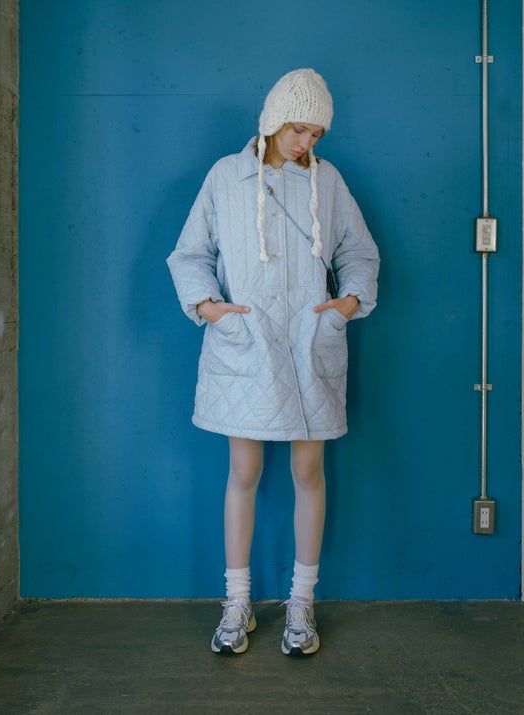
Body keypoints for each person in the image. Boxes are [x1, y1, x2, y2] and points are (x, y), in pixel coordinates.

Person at [167, 68, 379, 656]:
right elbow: (190, 252)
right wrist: (209, 307)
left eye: (316, 134)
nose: (306, 142)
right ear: (272, 120)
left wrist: (347, 303)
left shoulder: (327, 181)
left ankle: (301, 604)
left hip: (310, 344)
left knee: (308, 472)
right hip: (249, 344)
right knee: (243, 472)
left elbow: (359, 251)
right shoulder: (226, 176)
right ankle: (236, 603)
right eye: (298, 129)